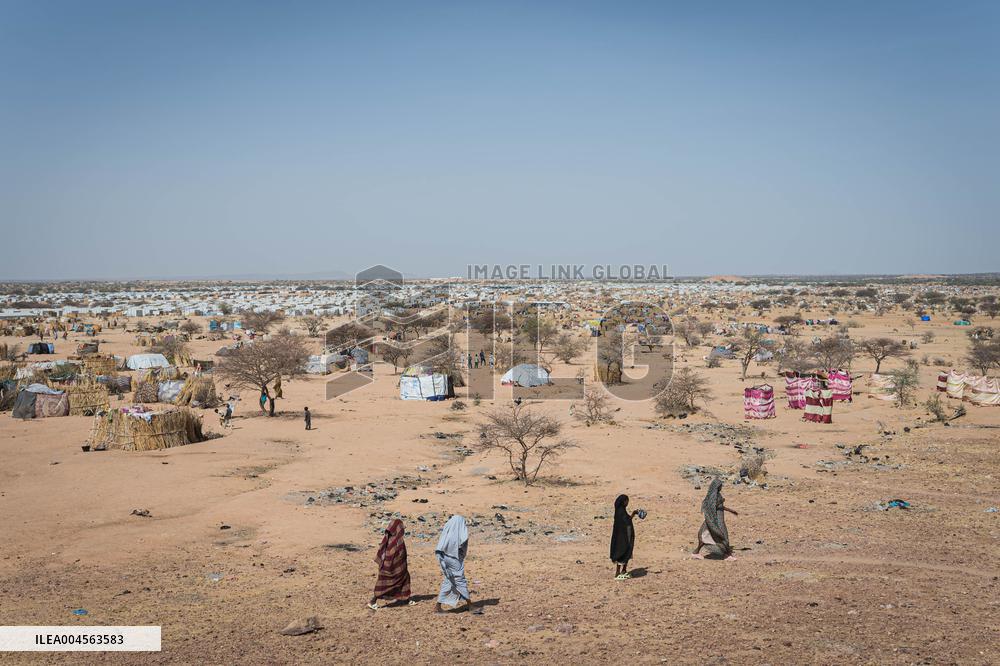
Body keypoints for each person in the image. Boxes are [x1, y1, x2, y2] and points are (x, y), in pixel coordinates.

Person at [434, 515, 481, 614]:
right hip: (453, 558)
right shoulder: (457, 533)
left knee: (448, 581)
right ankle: (470, 606)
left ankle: (437, 606)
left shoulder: (447, 532)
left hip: (444, 557)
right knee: (460, 580)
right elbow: (463, 541)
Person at [368, 518, 414, 610]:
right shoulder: (397, 541)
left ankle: (406, 599)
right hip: (392, 569)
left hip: (395, 567)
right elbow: (400, 554)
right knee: (386, 585)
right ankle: (373, 601)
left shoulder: (388, 539)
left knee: (405, 579)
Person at [692, 478, 739, 560]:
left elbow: (719, 506)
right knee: (723, 536)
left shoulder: (716, 494)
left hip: (716, 520)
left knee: (706, 537)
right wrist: (713, 521)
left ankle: (695, 553)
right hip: (715, 520)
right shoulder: (713, 496)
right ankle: (727, 555)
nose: (721, 487)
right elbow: (712, 507)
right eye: (720, 486)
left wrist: (731, 511)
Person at [610, 494, 639, 579]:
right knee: (624, 551)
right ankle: (619, 571)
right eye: (627, 501)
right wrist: (633, 514)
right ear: (623, 502)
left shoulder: (619, 511)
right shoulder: (621, 512)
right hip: (624, 536)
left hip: (621, 536)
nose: (627, 503)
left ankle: (623, 570)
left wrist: (633, 514)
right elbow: (627, 521)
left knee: (624, 551)